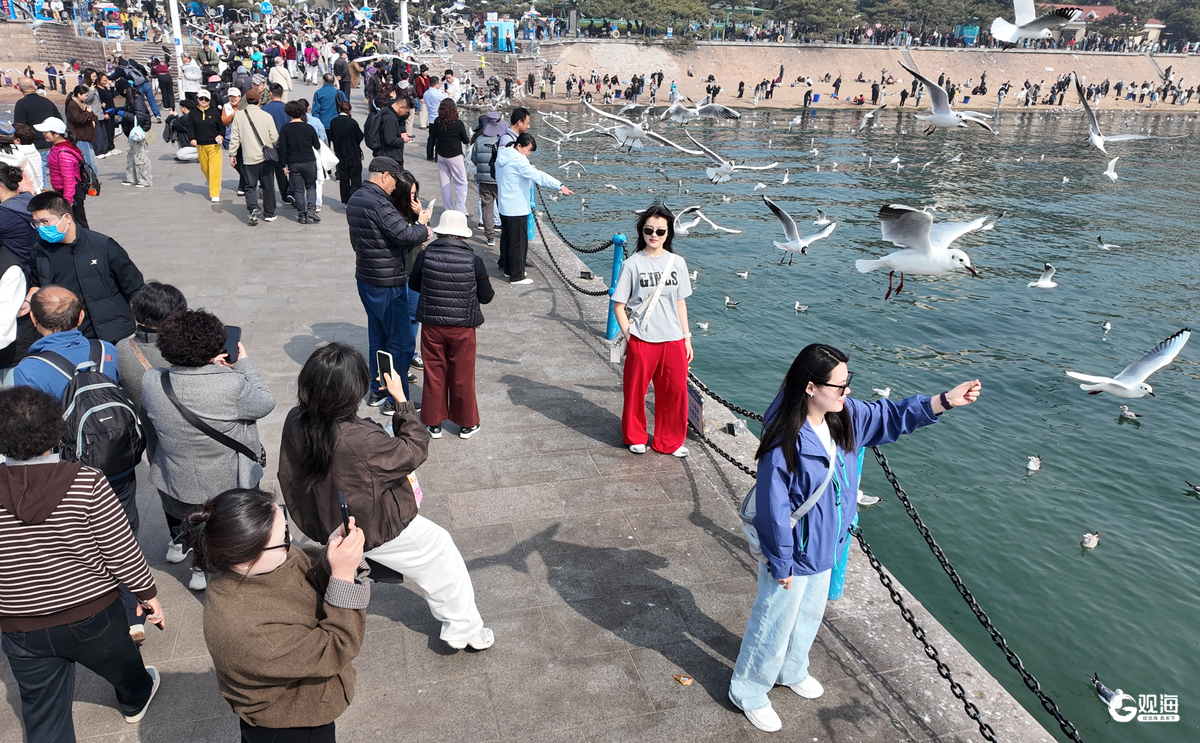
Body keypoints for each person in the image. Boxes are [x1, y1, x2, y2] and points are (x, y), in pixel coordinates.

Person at [728, 344, 982, 732]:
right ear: (811, 387)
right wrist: (781, 562)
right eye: (840, 385)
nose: (847, 392)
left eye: (849, 383)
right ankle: (747, 690)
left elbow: (890, 415)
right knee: (773, 621)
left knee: (809, 615)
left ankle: (791, 669)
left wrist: (945, 401)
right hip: (794, 550)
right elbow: (774, 508)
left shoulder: (844, 415)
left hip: (826, 543)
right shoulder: (785, 436)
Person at [277, 343, 494, 651]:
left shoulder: (295, 418)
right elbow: (414, 448)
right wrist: (402, 400)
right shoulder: (360, 439)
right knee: (440, 548)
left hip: (323, 519)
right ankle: (466, 630)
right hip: (368, 525)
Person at [0, 386, 164, 742]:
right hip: (92, 610)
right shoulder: (86, 481)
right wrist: (147, 593)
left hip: (19, 624)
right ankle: (135, 699)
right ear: (55, 431)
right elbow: (120, 548)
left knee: (43, 713)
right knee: (124, 665)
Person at [183, 488, 368, 743]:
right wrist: (343, 576)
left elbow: (303, 567)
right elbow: (337, 647)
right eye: (283, 539)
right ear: (243, 560)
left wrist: (332, 556)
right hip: (292, 726)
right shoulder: (247, 630)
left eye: (285, 526)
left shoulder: (239, 559)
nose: (290, 539)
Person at [140, 309, 276, 592]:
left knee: (193, 525)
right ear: (216, 347)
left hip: (177, 478)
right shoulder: (231, 384)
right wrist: (244, 364)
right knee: (229, 530)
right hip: (227, 481)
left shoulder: (152, 380)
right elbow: (265, 402)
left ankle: (198, 566)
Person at [345, 157, 432, 410]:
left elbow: (356, 242)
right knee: (401, 343)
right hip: (387, 282)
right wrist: (423, 228)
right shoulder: (380, 203)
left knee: (378, 338)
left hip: (366, 277)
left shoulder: (356, 198)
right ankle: (397, 400)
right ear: (385, 176)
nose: (395, 187)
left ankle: (377, 391)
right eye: (394, 181)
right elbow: (404, 236)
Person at [612, 204, 693, 458]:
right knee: (635, 391)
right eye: (648, 230)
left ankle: (669, 440)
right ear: (642, 232)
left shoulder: (678, 263)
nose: (654, 235)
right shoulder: (632, 264)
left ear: (668, 233)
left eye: (660, 231)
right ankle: (635, 436)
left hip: (673, 338)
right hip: (642, 338)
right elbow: (618, 306)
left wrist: (687, 337)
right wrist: (631, 336)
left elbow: (680, 303)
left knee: (675, 393)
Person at [408, 210, 493, 438]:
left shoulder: (425, 256)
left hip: (432, 325)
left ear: (440, 232)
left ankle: (433, 423)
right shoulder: (474, 260)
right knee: (462, 374)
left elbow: (414, 285)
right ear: (463, 235)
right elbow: (487, 296)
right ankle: (467, 423)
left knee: (434, 372)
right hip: (463, 327)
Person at [27, 191, 143, 344]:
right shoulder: (40, 251)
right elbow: (37, 283)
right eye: (36, 223)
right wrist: (28, 303)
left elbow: (135, 287)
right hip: (68, 337)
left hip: (113, 334)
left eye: (45, 221)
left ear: (67, 217)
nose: (40, 228)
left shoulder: (102, 246)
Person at [494, 133, 572, 285]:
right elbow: (538, 176)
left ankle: (509, 270)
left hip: (504, 205)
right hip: (517, 207)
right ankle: (517, 276)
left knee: (508, 240)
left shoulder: (502, 156)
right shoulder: (518, 161)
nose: (529, 154)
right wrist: (560, 185)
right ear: (519, 146)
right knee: (518, 243)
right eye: (528, 150)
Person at [229, 87, 280, 227]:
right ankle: (269, 213)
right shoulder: (266, 116)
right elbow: (275, 137)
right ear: (259, 101)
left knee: (250, 186)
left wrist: (232, 154)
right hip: (265, 158)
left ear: (246, 100)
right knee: (268, 186)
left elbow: (235, 137)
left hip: (248, 157)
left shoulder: (239, 116)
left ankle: (253, 208)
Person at [35, 118, 88, 228]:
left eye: (46, 132)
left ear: (56, 134)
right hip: (66, 191)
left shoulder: (63, 153)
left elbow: (69, 179)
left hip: (71, 192)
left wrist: (67, 202)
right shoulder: (59, 147)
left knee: (77, 224)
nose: (44, 134)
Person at [277, 100, 321, 225]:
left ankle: (302, 215)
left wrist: (283, 165)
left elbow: (282, 149)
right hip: (309, 161)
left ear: (288, 113)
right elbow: (317, 145)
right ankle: (311, 209)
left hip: (293, 162)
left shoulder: (285, 129)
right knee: (311, 186)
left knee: (298, 190)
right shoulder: (309, 128)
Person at [13, 78, 62, 185]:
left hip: (36, 146)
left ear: (20, 89)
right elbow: (59, 121)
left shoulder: (21, 104)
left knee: (39, 177)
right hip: (52, 143)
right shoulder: (47, 102)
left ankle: (44, 195)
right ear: (35, 87)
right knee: (60, 174)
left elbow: (19, 127)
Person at [468, 112, 504, 247]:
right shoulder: (502, 140)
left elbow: (474, 159)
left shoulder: (479, 140)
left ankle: (490, 236)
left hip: (483, 179)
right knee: (503, 206)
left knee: (487, 207)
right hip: (499, 179)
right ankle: (504, 229)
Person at [430, 98, 470, 213]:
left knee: (445, 183)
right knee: (461, 182)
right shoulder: (458, 123)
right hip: (455, 155)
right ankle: (461, 208)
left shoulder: (437, 122)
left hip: (441, 155)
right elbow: (465, 140)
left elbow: (433, 136)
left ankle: (449, 208)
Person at [187, 89, 224, 203]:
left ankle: (214, 193)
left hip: (214, 145)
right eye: (201, 98)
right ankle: (215, 184)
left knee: (215, 170)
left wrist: (221, 136)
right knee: (205, 168)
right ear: (198, 99)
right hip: (200, 145)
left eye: (206, 99)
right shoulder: (193, 113)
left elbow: (221, 127)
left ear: (209, 100)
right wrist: (192, 138)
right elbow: (190, 127)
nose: (203, 101)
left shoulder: (214, 112)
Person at [328, 98, 363, 204]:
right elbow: (360, 136)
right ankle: (355, 199)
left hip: (340, 154)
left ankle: (345, 200)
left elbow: (331, 136)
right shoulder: (352, 122)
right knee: (356, 178)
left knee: (344, 179)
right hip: (353, 153)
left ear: (339, 109)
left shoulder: (333, 122)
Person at [65, 86, 99, 182]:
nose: (87, 97)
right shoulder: (73, 105)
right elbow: (78, 119)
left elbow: (93, 115)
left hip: (87, 135)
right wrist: (88, 114)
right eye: (85, 95)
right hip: (80, 136)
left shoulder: (82, 104)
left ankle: (94, 179)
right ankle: (89, 180)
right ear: (79, 94)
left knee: (92, 159)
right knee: (87, 160)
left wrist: (93, 119)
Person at [373, 95, 413, 168]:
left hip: (384, 155)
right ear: (401, 107)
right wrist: (403, 140)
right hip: (388, 157)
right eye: (406, 111)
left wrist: (399, 135)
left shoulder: (386, 111)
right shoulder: (390, 118)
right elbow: (390, 140)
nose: (405, 114)